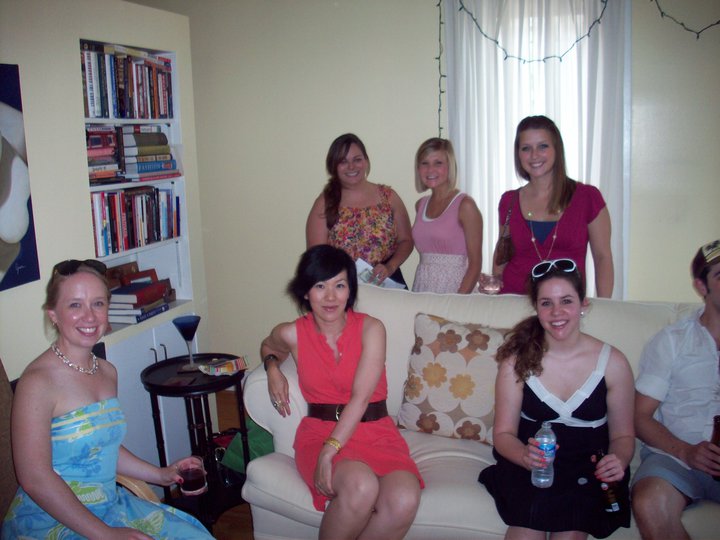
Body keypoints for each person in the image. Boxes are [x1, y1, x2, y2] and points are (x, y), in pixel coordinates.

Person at [2, 259, 212, 539]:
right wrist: (106, 534)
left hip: (108, 505)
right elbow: (34, 480)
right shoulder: (37, 382)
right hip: (52, 517)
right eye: (75, 305)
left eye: (98, 304)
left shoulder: (106, 371)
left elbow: (103, 449)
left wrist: (161, 474)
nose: (89, 316)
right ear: (53, 314)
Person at [260, 245, 423, 540]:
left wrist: (329, 451)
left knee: (405, 498)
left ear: (350, 290)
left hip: (376, 432)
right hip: (320, 430)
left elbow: (361, 397)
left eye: (340, 285)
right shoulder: (292, 333)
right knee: (361, 486)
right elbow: (269, 347)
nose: (331, 297)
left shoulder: (372, 328)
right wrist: (272, 368)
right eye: (320, 286)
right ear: (305, 292)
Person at [479, 258, 635, 539]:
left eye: (566, 301)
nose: (556, 312)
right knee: (526, 532)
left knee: (571, 532)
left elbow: (623, 436)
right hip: (532, 462)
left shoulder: (613, 362)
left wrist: (619, 460)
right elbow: (503, 434)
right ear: (536, 308)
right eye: (546, 303)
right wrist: (524, 456)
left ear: (583, 304)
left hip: (587, 465)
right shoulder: (516, 362)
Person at [631, 239, 720, 540]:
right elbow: (639, 416)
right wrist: (686, 451)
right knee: (649, 502)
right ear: (701, 286)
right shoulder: (672, 341)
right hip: (677, 457)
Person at [483, 116, 614, 297]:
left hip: (564, 306)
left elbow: (602, 258)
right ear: (518, 154)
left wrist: (604, 306)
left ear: (557, 149)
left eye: (543, 146)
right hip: (514, 303)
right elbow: (502, 257)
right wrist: (494, 282)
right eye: (526, 148)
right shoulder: (509, 201)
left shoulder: (588, 197)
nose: (534, 155)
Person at [306, 133, 413, 288]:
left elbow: (406, 240)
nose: (351, 166)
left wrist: (390, 267)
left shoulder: (388, 197)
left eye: (357, 159)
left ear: (366, 161)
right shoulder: (325, 203)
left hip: (387, 283)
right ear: (333, 166)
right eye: (343, 161)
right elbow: (317, 256)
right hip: (343, 287)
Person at [411, 137, 483, 293]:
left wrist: (456, 302)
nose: (430, 169)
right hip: (423, 287)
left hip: (456, 290)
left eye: (438, 163)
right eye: (425, 163)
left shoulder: (465, 205)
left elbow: (475, 265)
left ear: (450, 167)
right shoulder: (420, 205)